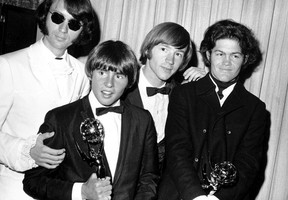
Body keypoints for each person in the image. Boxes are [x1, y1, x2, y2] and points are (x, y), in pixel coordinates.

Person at [23, 40, 159, 200]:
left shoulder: (143, 120)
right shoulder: (61, 119)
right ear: (90, 73)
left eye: (119, 76)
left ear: (129, 81)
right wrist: (80, 191)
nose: (109, 83)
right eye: (102, 73)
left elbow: (149, 178)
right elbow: (33, 182)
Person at [0, 0, 98, 199]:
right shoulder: (8, 65)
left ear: (82, 30)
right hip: (14, 186)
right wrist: (27, 151)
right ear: (45, 16)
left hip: (59, 187)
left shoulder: (82, 73)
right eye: (57, 17)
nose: (63, 29)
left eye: (73, 24)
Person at [158, 19, 268, 200]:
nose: (226, 62)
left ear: (245, 59)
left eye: (235, 56)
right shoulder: (183, 94)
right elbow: (177, 151)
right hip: (179, 194)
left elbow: (248, 165)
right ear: (208, 55)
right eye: (220, 54)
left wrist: (218, 198)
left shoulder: (255, 108)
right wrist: (197, 196)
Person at [123, 22, 205, 175]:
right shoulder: (121, 85)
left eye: (178, 54)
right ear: (148, 49)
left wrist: (208, 87)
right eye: (164, 49)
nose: (170, 60)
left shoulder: (183, 96)